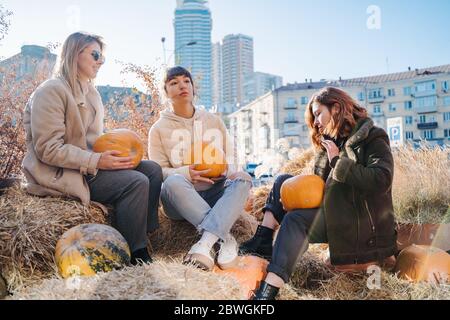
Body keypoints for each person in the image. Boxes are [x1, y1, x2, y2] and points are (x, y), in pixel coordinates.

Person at [240, 87, 397, 299]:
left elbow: (381, 180)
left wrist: (337, 162)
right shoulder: (329, 144)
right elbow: (320, 189)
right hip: (338, 213)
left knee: (295, 220)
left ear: (336, 108)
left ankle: (268, 291)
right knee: (282, 182)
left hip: (361, 225)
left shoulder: (373, 137)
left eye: (318, 113)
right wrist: (294, 197)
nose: (315, 122)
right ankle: (263, 240)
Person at [22, 32, 162, 265]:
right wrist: (97, 161)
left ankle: (146, 236)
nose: (100, 61)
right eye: (95, 55)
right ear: (74, 54)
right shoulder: (51, 91)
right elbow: (47, 148)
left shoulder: (92, 93)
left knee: (152, 170)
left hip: (90, 166)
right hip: (63, 173)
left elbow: (93, 139)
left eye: (102, 57)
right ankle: (132, 254)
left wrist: (120, 149)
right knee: (136, 182)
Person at [149, 66, 252, 271]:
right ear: (165, 92)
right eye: (174, 82)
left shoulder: (213, 121)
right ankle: (225, 237)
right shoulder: (158, 129)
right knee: (172, 182)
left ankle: (208, 243)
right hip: (181, 196)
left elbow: (230, 156)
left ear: (193, 87)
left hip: (216, 190)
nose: (182, 85)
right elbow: (158, 170)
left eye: (186, 81)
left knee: (244, 179)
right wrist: (186, 172)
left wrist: (232, 172)